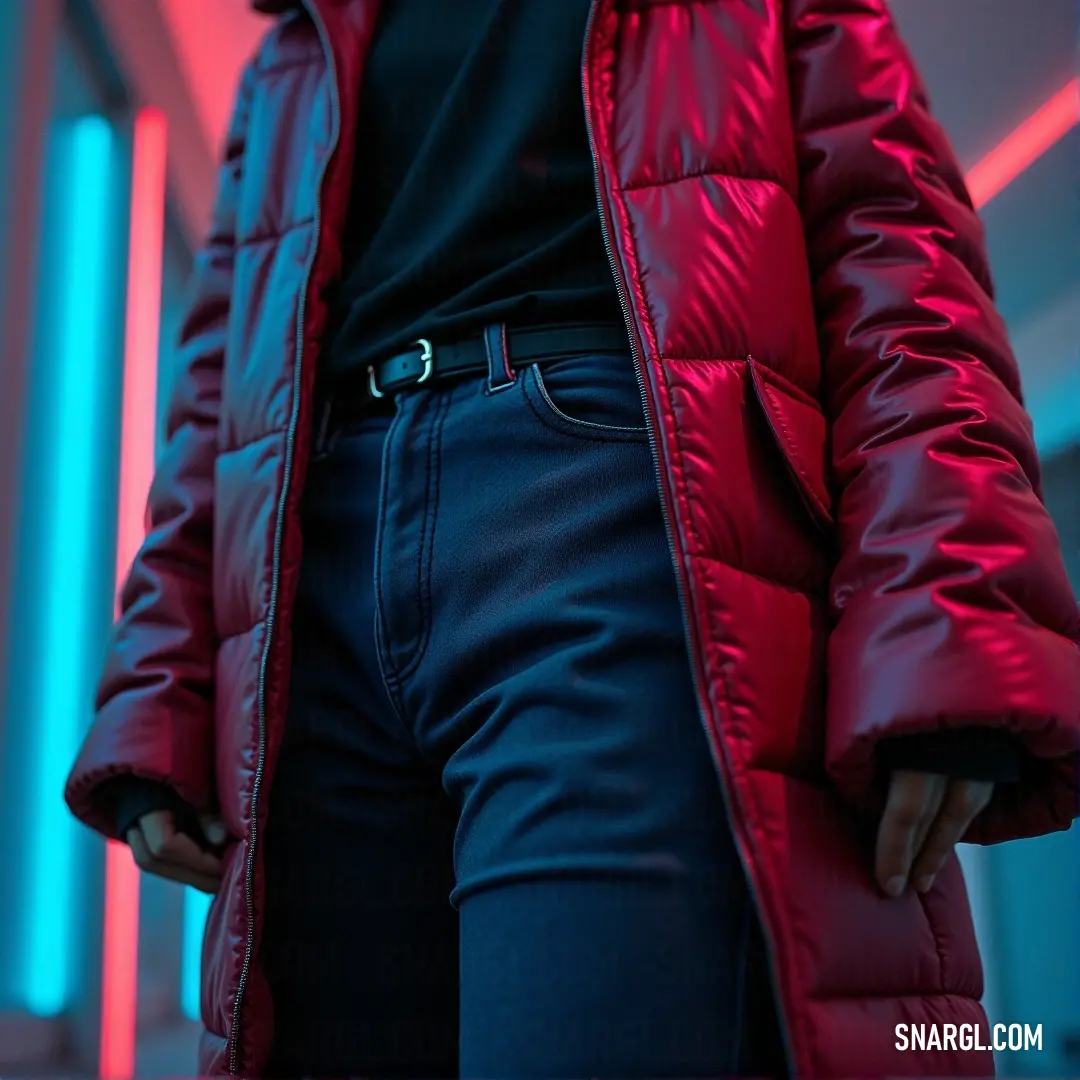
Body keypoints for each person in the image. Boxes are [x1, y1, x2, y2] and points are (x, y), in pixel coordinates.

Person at [65, 0, 1080, 1076]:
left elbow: (898, 257)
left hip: (604, 502)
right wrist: (161, 686)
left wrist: (947, 605)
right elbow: (222, 381)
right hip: (311, 576)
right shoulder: (294, 41)